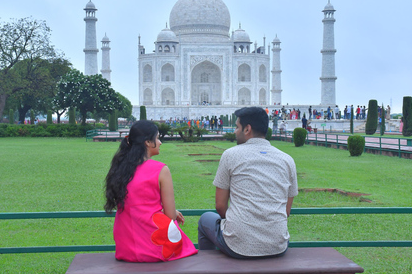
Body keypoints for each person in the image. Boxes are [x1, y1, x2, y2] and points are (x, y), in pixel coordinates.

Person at [198, 107, 298, 264]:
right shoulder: (287, 160)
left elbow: (220, 206)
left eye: (237, 127)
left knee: (205, 220)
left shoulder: (231, 154)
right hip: (278, 244)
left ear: (247, 129)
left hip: (237, 245)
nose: (235, 131)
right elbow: (286, 211)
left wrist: (235, 224)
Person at [104, 120, 197, 263]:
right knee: (185, 251)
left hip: (125, 245)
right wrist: (170, 212)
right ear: (147, 142)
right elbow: (171, 216)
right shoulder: (160, 170)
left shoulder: (121, 168)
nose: (160, 142)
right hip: (151, 243)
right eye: (158, 138)